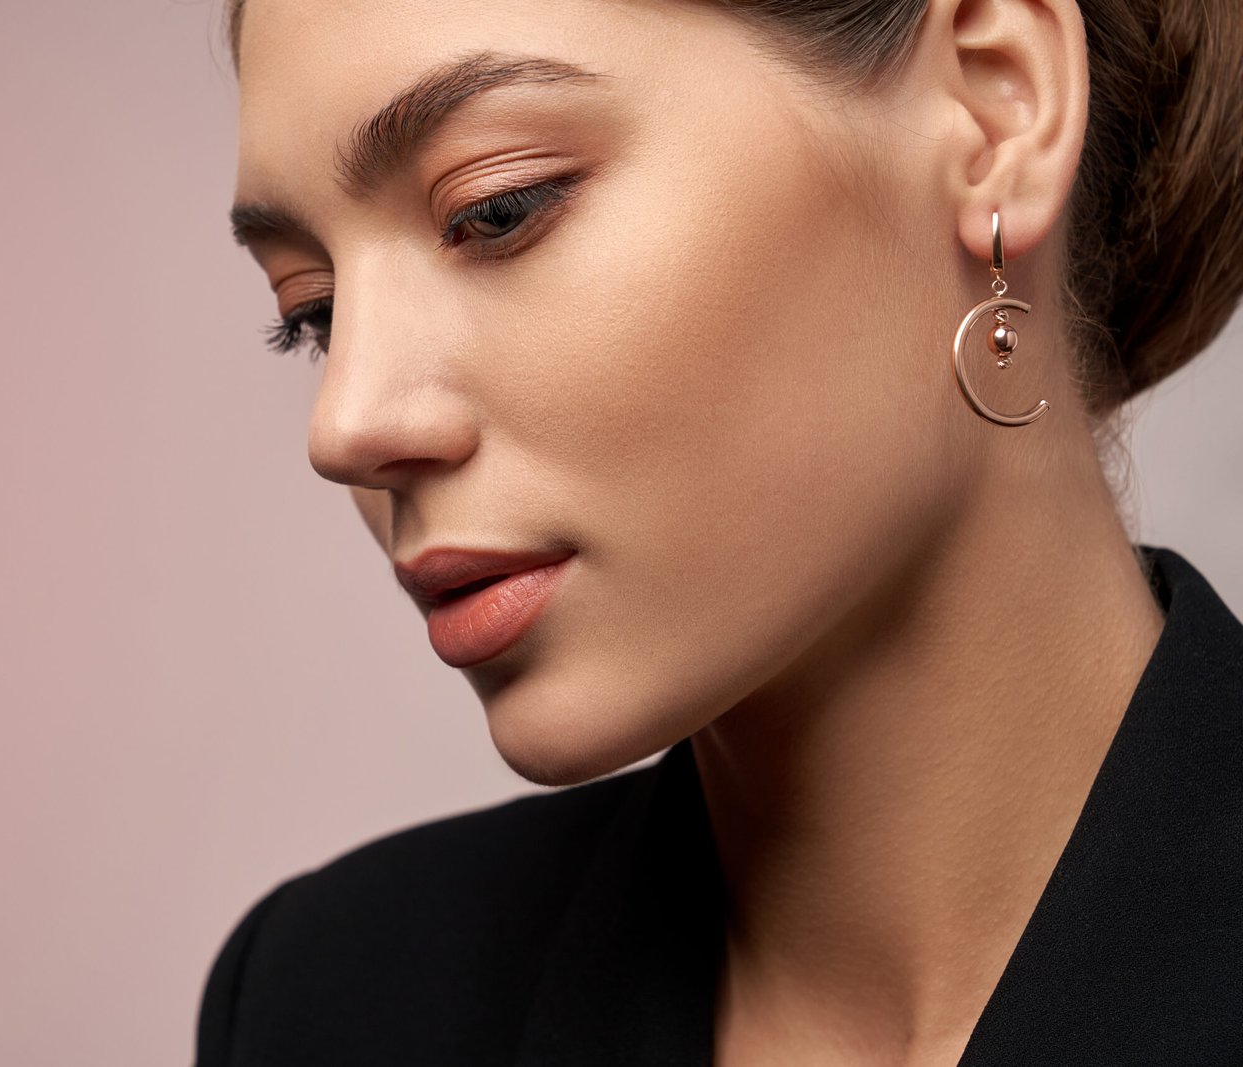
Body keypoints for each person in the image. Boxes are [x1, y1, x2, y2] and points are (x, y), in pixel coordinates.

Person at [197, 0, 1243, 1061]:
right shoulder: (327, 1001)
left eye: (498, 207)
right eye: (312, 309)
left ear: (992, 108)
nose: (347, 423)